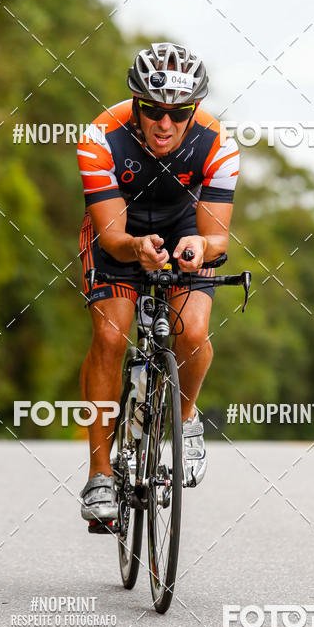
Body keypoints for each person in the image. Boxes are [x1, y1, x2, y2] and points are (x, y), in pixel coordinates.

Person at [77, 42, 239, 524]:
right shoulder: (100, 136)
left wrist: (200, 249)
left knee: (192, 332)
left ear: (193, 110)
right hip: (119, 231)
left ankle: (185, 416)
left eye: (178, 112)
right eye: (152, 109)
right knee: (110, 334)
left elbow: (217, 234)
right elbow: (110, 235)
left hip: (186, 229)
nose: (164, 123)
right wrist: (136, 248)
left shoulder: (219, 143)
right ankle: (100, 473)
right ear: (135, 103)